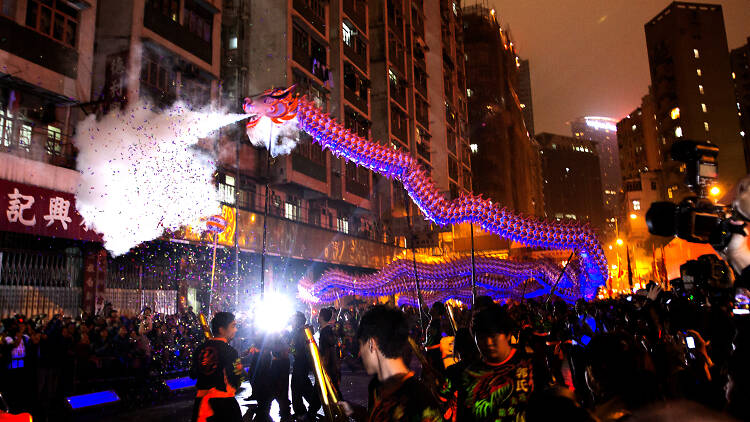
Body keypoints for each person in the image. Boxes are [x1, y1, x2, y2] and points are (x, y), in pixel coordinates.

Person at [339, 305, 442, 422]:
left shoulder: (420, 401)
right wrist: (353, 410)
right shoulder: (376, 386)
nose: (360, 353)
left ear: (371, 344)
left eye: (361, 345)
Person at [451, 303, 533, 422]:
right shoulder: (470, 374)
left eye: (493, 336)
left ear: (508, 334)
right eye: (481, 337)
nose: (488, 342)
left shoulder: (530, 364)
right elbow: (464, 415)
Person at [190, 312, 243, 422]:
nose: (236, 330)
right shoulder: (230, 351)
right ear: (221, 329)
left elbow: (193, 374)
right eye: (233, 326)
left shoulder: (199, 349)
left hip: (200, 404)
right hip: (224, 406)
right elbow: (237, 379)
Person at [290, 312, 320, 420]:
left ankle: (306, 408)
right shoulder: (298, 331)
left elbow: (301, 348)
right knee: (301, 385)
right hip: (300, 361)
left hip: (302, 362)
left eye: (293, 319)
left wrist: (292, 350)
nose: (292, 321)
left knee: (297, 386)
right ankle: (310, 406)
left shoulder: (303, 331)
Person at [317, 307, 341, 397]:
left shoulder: (326, 331)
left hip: (328, 364)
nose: (317, 317)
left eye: (319, 315)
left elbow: (329, 347)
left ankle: (342, 408)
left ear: (322, 317)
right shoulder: (325, 330)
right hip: (328, 364)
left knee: (333, 388)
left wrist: (324, 361)